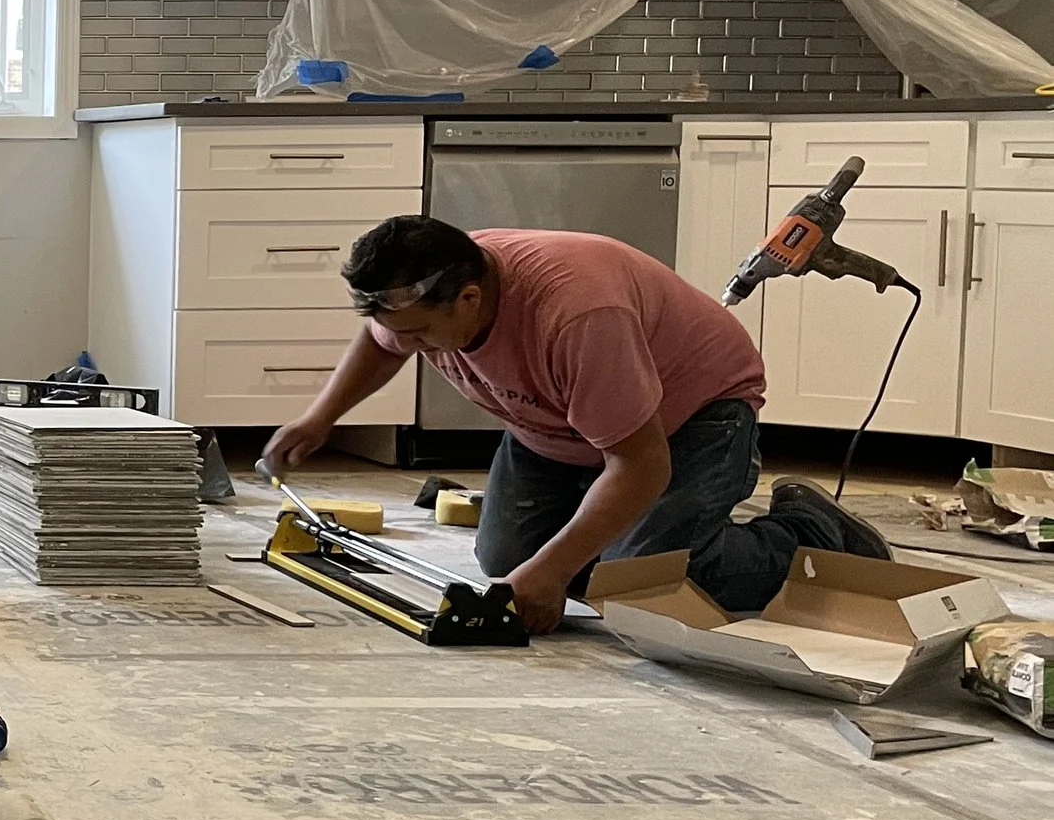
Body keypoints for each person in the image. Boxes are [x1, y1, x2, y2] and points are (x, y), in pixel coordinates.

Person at [258, 215, 891, 633]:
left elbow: (641, 465)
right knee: (509, 562)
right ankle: (617, 542)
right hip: (559, 428)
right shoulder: (422, 296)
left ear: (470, 299)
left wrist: (557, 570)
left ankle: (809, 530)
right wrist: (322, 418)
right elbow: (380, 342)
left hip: (689, 421)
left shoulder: (578, 314)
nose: (413, 346)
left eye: (422, 334)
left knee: (642, 590)